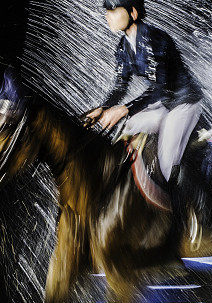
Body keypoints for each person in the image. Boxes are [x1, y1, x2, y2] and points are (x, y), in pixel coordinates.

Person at [86, 0, 204, 187]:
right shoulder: (122, 48)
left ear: (132, 13)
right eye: (107, 11)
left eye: (114, 10)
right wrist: (103, 108)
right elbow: (120, 87)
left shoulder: (156, 40)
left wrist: (125, 109)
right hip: (164, 103)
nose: (107, 15)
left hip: (184, 102)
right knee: (129, 128)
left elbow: (160, 87)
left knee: (167, 164)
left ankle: (193, 209)